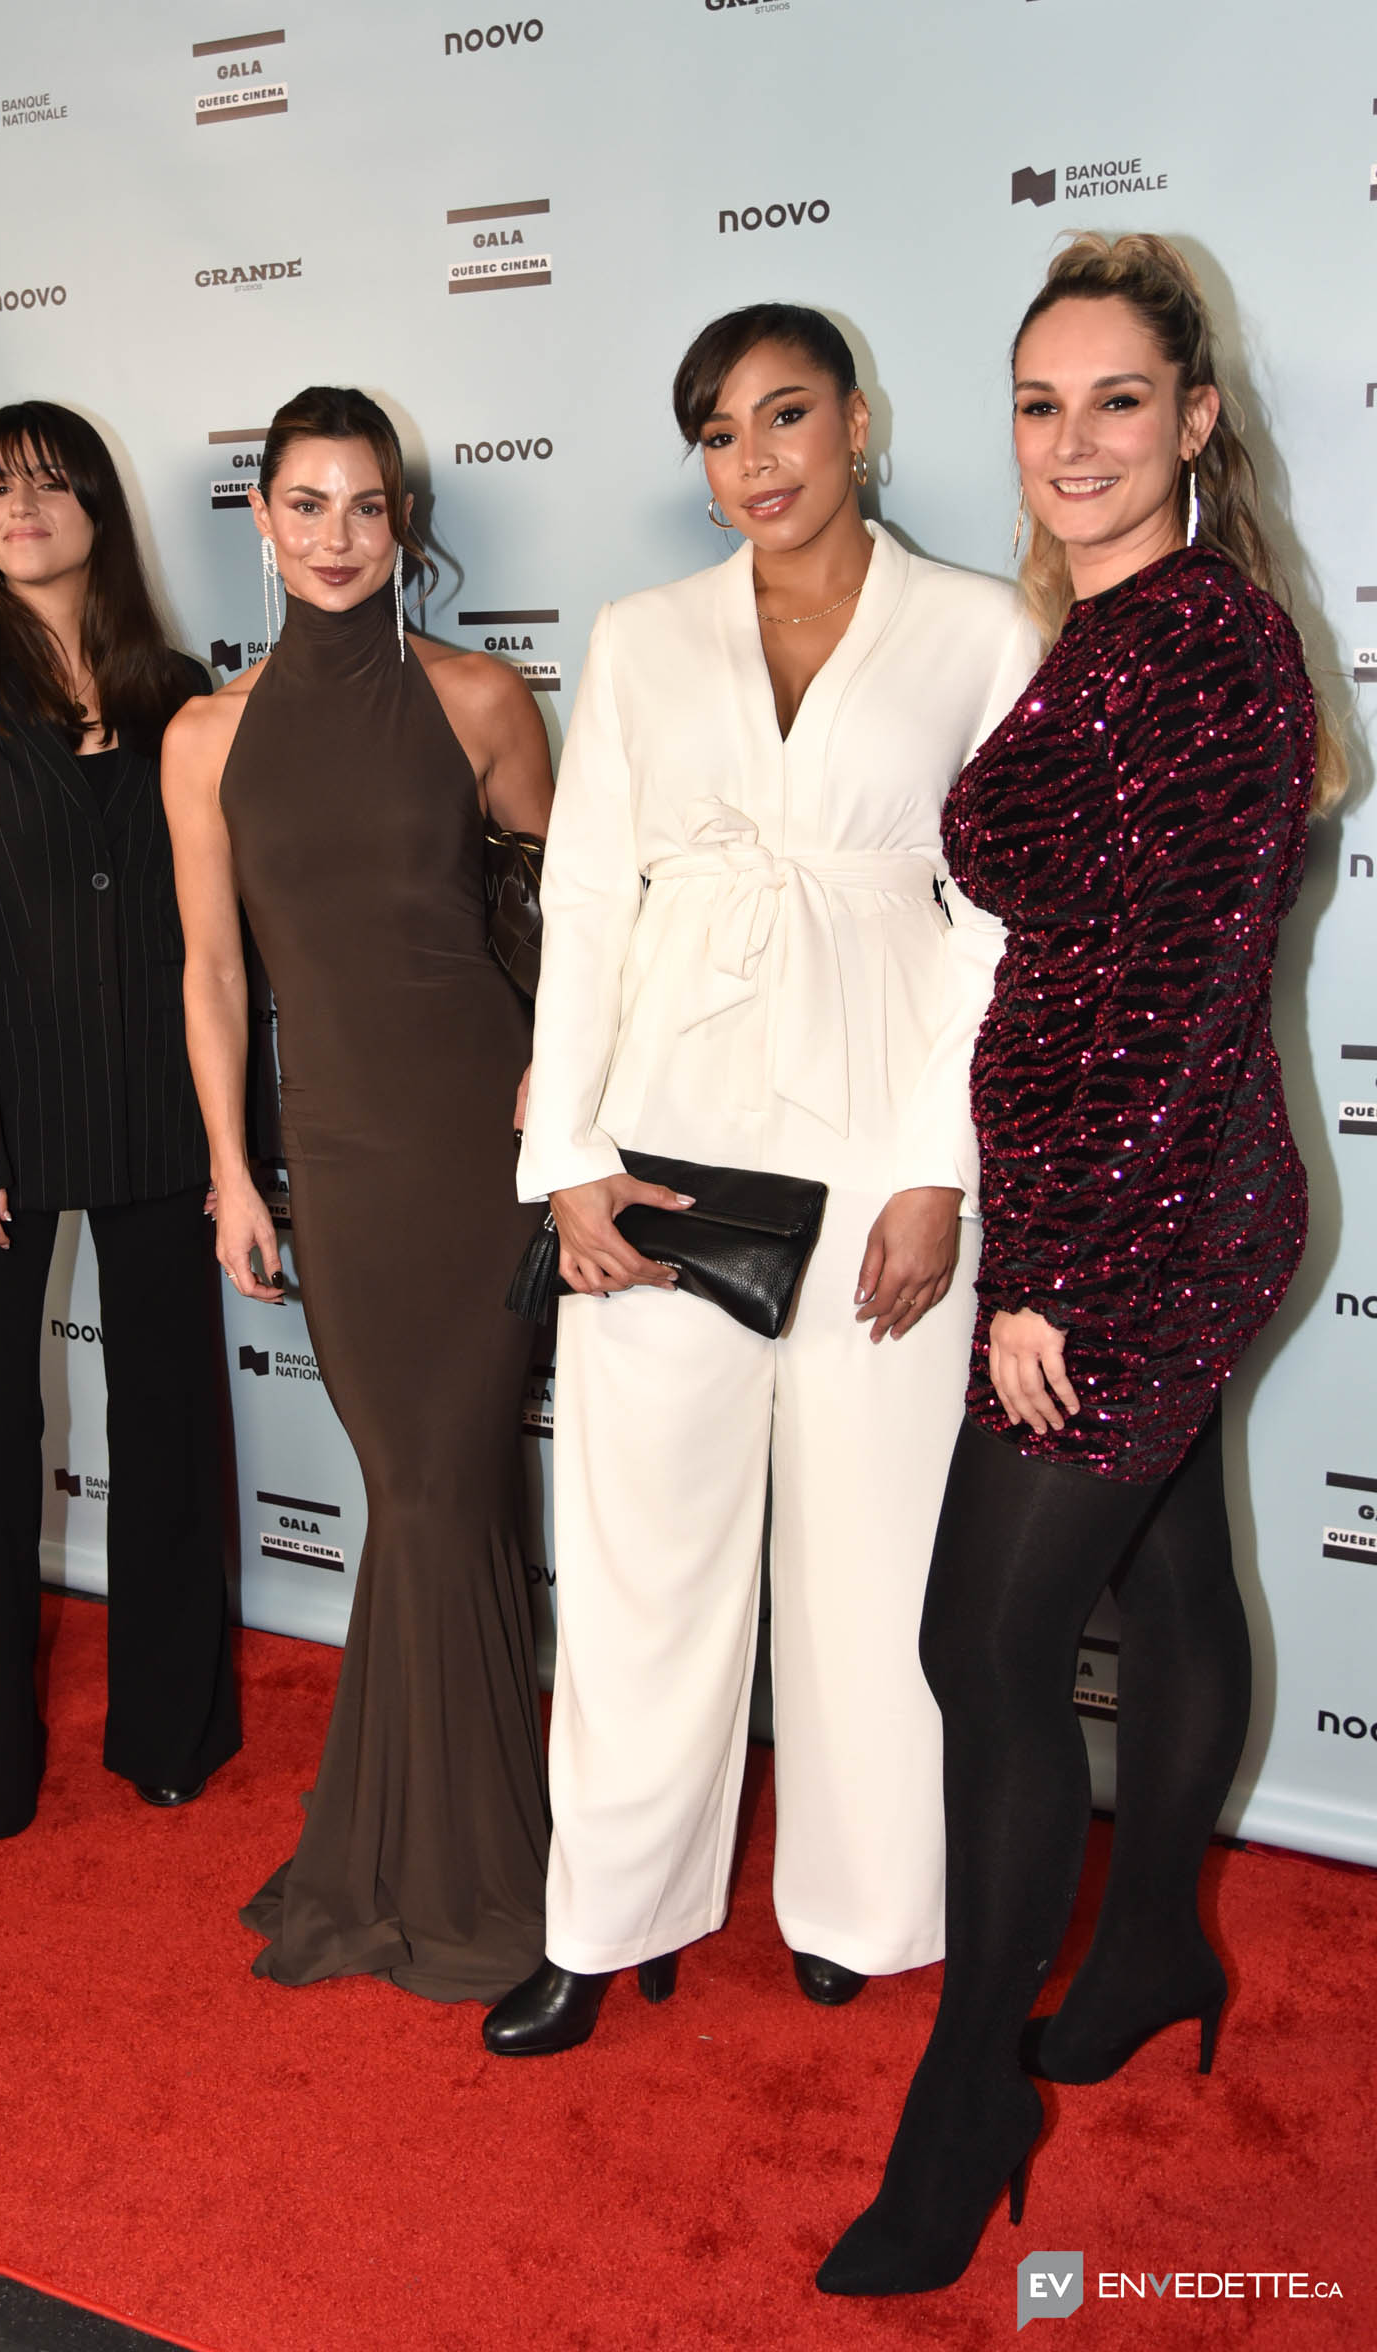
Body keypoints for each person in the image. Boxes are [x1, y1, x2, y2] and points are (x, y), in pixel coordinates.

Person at [819, 234, 1339, 2297]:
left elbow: (1171, 996)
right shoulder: (1130, 630)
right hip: (1161, 1198)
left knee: (983, 1652)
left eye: (1116, 400)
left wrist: (1056, 1271)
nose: (1071, 441)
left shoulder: (1194, 645)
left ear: (1195, 420)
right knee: (1179, 1572)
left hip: (1133, 1219)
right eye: (1039, 403)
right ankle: (1142, 1957)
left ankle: (966, 2111)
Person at [485, 306, 1038, 2058]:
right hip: (668, 1144)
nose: (758, 462)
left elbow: (1004, 924)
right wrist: (567, 1158)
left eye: (787, 416)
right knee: (641, 1553)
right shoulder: (644, 636)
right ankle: (605, 1913)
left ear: (859, 418)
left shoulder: (980, 627)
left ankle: (866, 1910)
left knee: (878, 1559)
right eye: (721, 434)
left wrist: (943, 1173)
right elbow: (585, 901)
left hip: (886, 1138)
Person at [163, 385, 555, 2001]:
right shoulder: (207, 735)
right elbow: (206, 972)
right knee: (412, 1491)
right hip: (334, 1148)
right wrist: (226, 1172)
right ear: (260, 525)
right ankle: (432, 1845)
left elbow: (563, 917)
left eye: (366, 506)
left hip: (485, 1140)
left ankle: (468, 1865)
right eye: (304, 505)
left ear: (405, 525)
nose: (335, 536)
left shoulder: (480, 697)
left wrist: (567, 1101)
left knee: (448, 1489)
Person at [0, 403, 239, 1838]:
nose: (20, 508)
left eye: (49, 484)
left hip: (159, 1102)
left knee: (167, 1425)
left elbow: (221, 933)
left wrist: (231, 1142)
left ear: (98, 508)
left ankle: (169, 1728)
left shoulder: (180, 689)